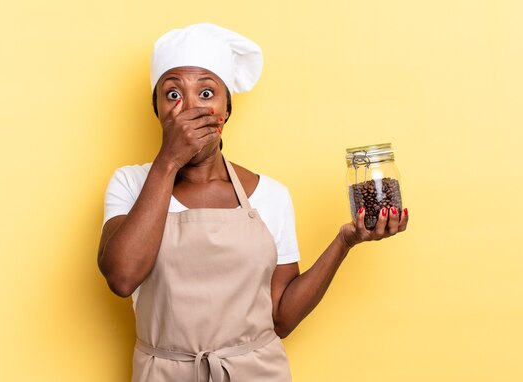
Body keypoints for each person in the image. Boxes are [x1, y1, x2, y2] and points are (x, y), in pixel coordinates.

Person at [97, 23, 409, 382]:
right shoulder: (131, 183)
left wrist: (345, 241)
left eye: (207, 92)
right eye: (172, 95)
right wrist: (168, 162)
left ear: (225, 110)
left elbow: (281, 318)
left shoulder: (270, 195)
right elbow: (121, 278)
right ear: (156, 109)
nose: (189, 108)